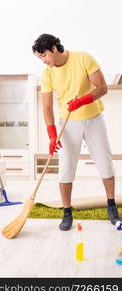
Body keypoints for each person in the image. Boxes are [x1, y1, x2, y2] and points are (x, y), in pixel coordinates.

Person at [32, 33, 121, 230]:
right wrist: (52, 134)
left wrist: (81, 101)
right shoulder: (47, 73)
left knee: (105, 164)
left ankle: (111, 206)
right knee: (65, 169)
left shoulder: (83, 58)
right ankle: (67, 212)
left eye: (44, 55)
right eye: (40, 58)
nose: (44, 61)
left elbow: (102, 88)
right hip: (68, 123)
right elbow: (46, 107)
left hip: (93, 119)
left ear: (54, 48)